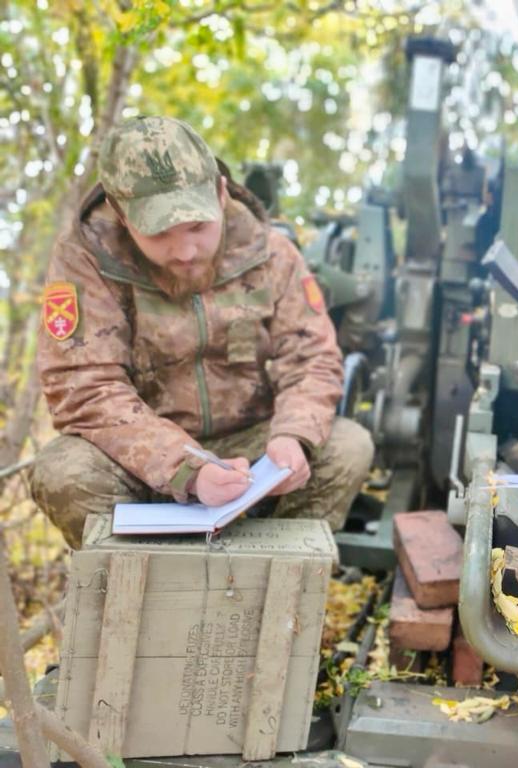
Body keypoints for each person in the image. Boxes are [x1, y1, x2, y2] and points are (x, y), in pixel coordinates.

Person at [29, 116, 374, 548]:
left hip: (251, 448)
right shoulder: (85, 261)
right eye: (159, 234)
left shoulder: (269, 251)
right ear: (120, 214)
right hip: (142, 455)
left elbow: (311, 357)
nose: (186, 251)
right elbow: (85, 386)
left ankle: (278, 589)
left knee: (347, 447)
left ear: (221, 193)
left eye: (198, 226)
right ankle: (134, 595)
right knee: (63, 472)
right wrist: (187, 468)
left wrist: (293, 436)